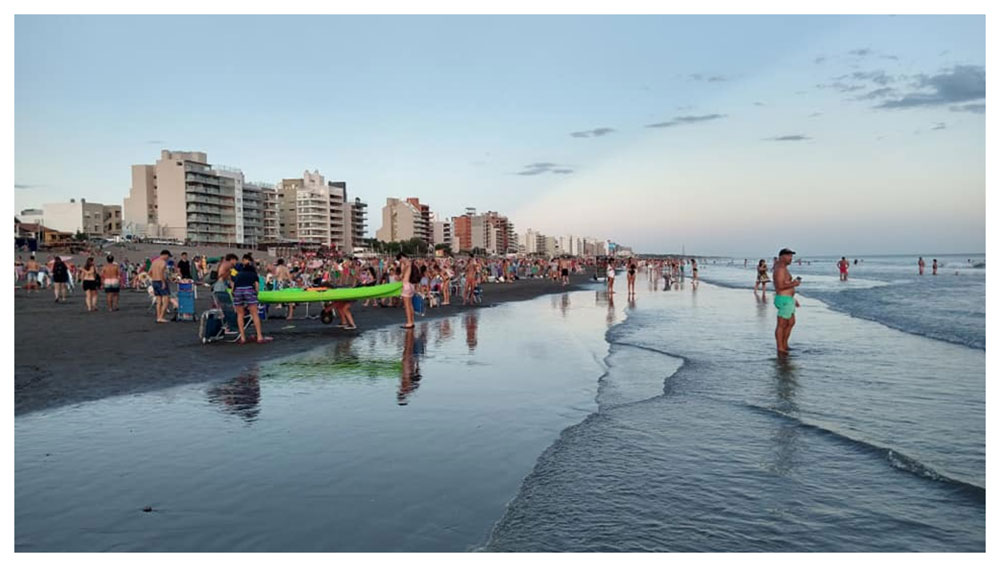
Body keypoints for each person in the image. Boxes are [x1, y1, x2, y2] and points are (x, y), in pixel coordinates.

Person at [232, 253, 272, 344]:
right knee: (254, 313)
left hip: (238, 290)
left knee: (240, 314)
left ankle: (242, 338)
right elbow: (257, 287)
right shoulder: (253, 274)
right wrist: (256, 294)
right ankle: (259, 337)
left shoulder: (238, 272)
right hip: (248, 289)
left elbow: (233, 285)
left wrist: (234, 293)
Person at [772, 248, 802, 356]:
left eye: (791, 256)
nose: (791, 259)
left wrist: (793, 299)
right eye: (789, 256)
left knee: (790, 322)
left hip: (788, 299)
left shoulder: (782, 267)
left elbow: (785, 284)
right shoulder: (780, 269)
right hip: (784, 299)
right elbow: (779, 286)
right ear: (782, 257)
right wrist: (794, 284)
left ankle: (784, 344)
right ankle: (780, 347)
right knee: (781, 324)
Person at [149, 250, 172, 323]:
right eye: (168, 257)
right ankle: (161, 317)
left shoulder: (154, 262)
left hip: (154, 281)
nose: (168, 258)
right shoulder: (163, 262)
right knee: (166, 300)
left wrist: (153, 278)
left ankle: (158, 317)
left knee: (158, 301)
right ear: (165, 255)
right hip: (161, 281)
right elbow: (162, 272)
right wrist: (163, 282)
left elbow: (149, 272)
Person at [399, 253, 416, 329]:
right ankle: (411, 321)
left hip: (406, 285)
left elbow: (404, 271)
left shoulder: (406, 263)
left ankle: (409, 322)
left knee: (407, 305)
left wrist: (401, 274)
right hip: (411, 285)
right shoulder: (411, 263)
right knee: (410, 304)